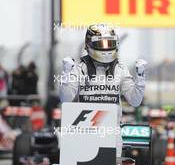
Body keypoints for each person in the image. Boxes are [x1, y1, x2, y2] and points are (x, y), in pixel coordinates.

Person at [59, 24, 147, 156]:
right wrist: (66, 74)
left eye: (109, 43)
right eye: (101, 44)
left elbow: (135, 101)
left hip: (112, 133)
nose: (106, 48)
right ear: (88, 44)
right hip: (84, 132)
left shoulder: (120, 69)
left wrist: (140, 77)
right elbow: (65, 98)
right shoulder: (79, 69)